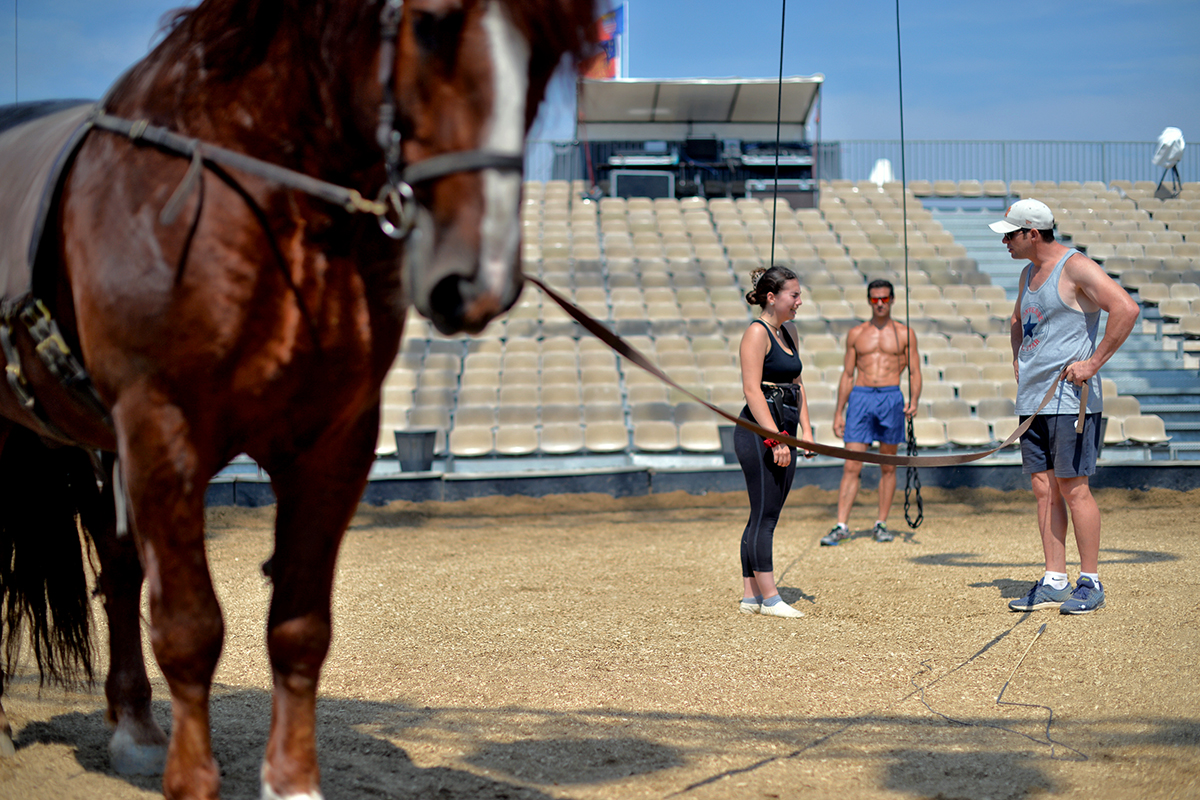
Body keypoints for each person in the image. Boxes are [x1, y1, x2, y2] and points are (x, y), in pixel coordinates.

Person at [993, 198, 1139, 615]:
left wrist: (1093, 363)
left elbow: (1125, 308)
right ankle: (1055, 578)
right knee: (1043, 490)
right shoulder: (1028, 272)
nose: (1004, 241)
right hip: (1034, 401)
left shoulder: (1075, 267)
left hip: (1069, 401)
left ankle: (1089, 580)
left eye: (1009, 234)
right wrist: (1018, 359)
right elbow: (1018, 321)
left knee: (1074, 489)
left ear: (1031, 233)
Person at [734, 265, 815, 618]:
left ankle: (751, 595)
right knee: (765, 515)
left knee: (764, 513)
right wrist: (774, 440)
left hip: (786, 430)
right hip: (759, 432)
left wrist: (806, 433)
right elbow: (752, 390)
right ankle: (770, 599)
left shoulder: (789, 332)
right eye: (793, 295)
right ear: (772, 297)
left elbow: (798, 385)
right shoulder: (757, 333)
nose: (799, 301)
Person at [821, 279, 922, 546]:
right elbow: (847, 374)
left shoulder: (905, 333)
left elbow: (914, 371)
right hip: (861, 397)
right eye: (875, 299)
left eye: (885, 299)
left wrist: (914, 399)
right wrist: (838, 412)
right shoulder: (856, 333)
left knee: (888, 465)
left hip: (890, 397)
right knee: (851, 464)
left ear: (892, 300)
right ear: (869, 300)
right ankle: (841, 524)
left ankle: (881, 523)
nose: (880, 303)